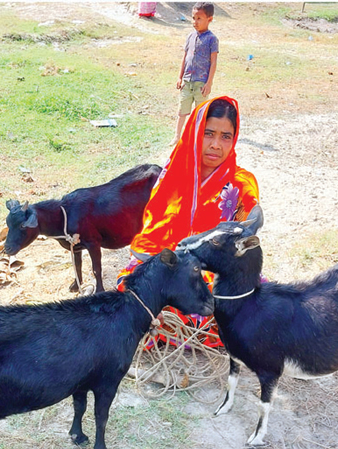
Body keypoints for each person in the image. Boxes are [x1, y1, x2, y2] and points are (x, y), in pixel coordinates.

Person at [118, 96, 259, 347]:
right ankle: (179, 324)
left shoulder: (240, 181)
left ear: (234, 139)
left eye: (226, 136)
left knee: (243, 305)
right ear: (195, 132)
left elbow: (249, 209)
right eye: (209, 133)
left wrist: (254, 216)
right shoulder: (172, 175)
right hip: (170, 266)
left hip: (211, 272)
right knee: (131, 289)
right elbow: (153, 234)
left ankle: (172, 326)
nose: (216, 145)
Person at [169, 2, 219, 146]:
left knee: (200, 113)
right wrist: (180, 77)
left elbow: (213, 62)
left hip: (201, 83)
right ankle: (177, 136)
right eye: (193, 18)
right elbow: (185, 58)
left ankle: (198, 138)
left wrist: (209, 83)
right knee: (182, 111)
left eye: (199, 19)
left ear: (209, 19)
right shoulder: (190, 36)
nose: (194, 22)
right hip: (187, 81)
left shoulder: (212, 39)